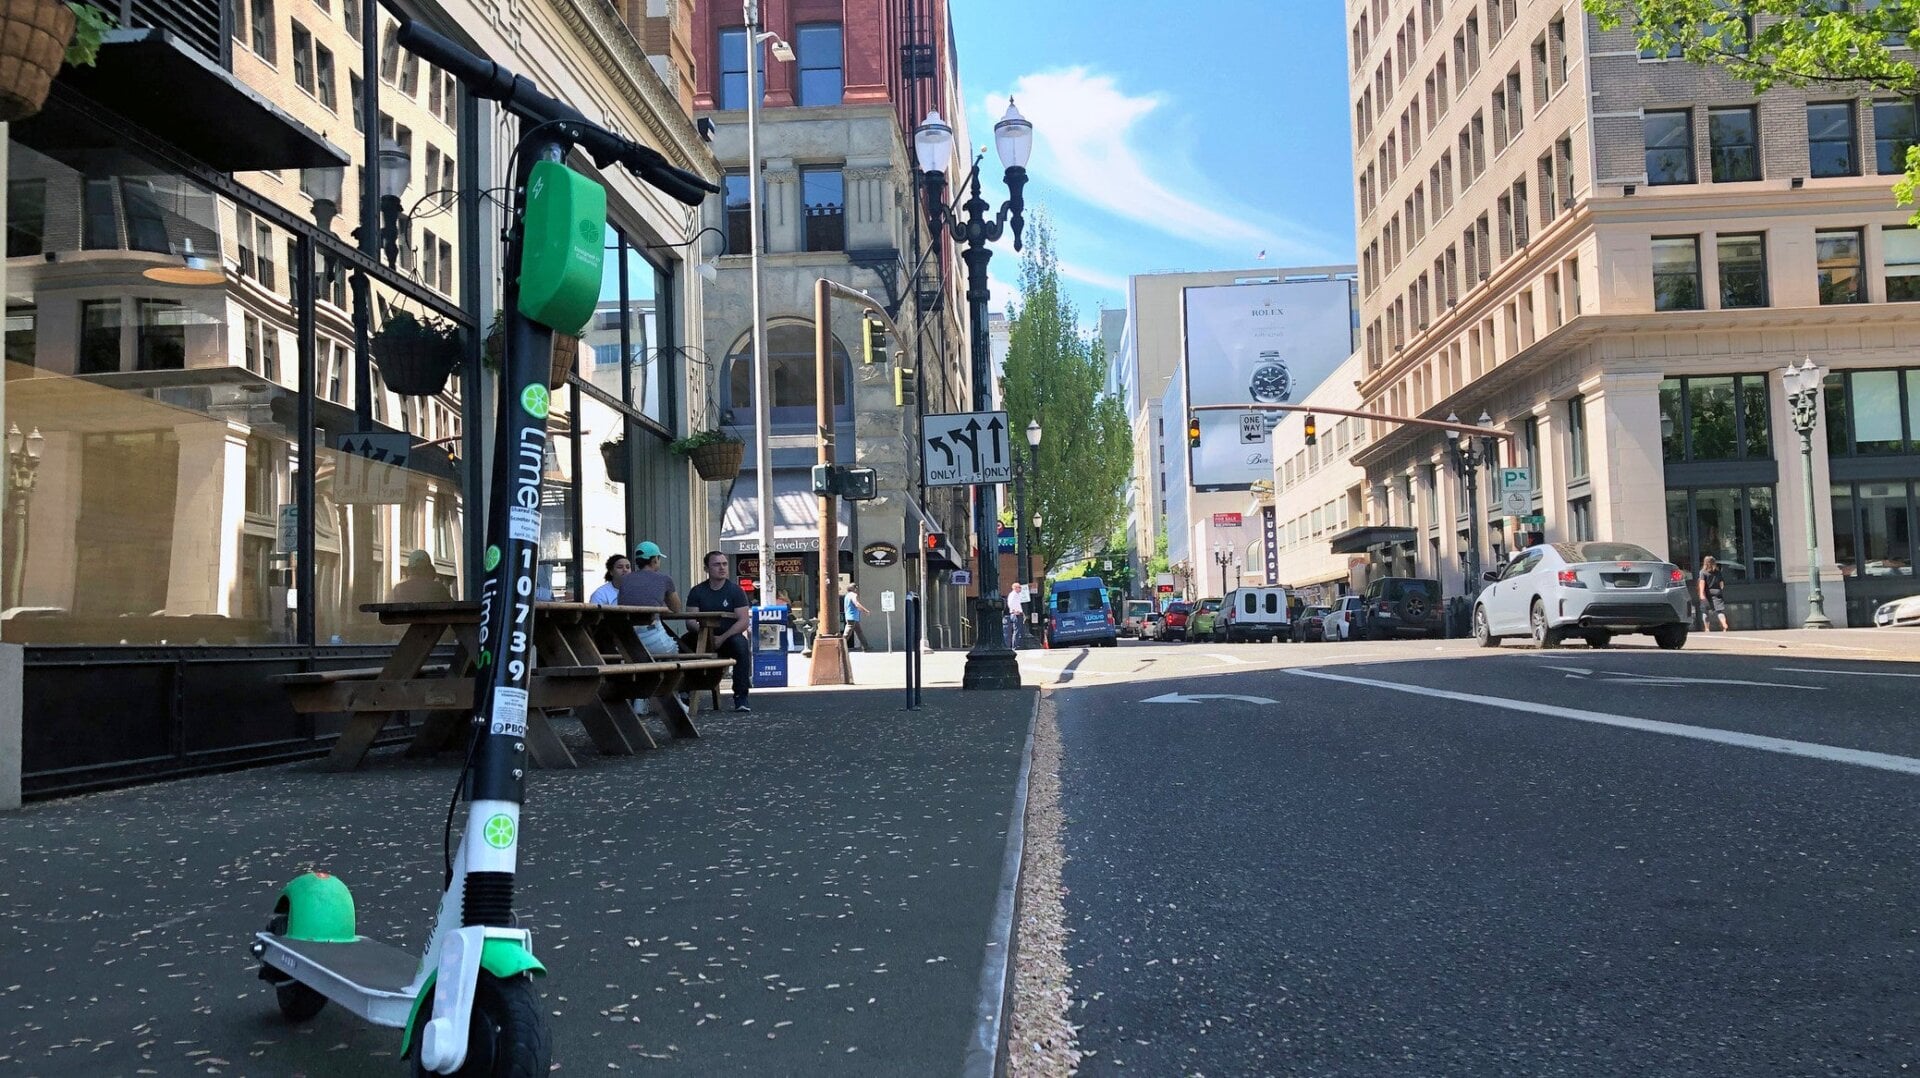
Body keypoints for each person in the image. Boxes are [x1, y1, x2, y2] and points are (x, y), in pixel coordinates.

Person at [685, 550, 754, 711]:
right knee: (680, 644)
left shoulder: (736, 591)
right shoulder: (697, 591)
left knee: (741, 645)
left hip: (728, 637)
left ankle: (741, 697)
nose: (722, 568)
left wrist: (722, 638)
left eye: (724, 564)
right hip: (702, 636)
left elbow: (743, 621)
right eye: (717, 564)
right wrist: (706, 635)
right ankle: (683, 692)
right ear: (706, 568)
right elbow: (690, 621)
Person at [618, 541, 683, 657]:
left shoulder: (624, 580)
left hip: (626, 638)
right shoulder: (665, 579)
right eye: (659, 558)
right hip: (652, 633)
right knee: (675, 652)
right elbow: (677, 608)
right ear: (654, 560)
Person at [1698, 554, 1729, 632]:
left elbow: (1702, 583)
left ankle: (1707, 628)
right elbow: (1721, 584)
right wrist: (1720, 589)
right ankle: (1724, 624)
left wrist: (1701, 593)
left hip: (1707, 593)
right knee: (1719, 611)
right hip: (1717, 592)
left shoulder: (1703, 572)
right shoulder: (1717, 572)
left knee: (1705, 611)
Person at [843, 583, 870, 651]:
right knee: (847, 634)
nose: (856, 590)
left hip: (850, 616)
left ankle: (866, 647)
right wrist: (865, 610)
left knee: (859, 632)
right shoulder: (853, 595)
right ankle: (840, 646)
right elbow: (856, 604)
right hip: (852, 617)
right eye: (856, 588)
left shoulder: (847, 596)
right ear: (853, 589)